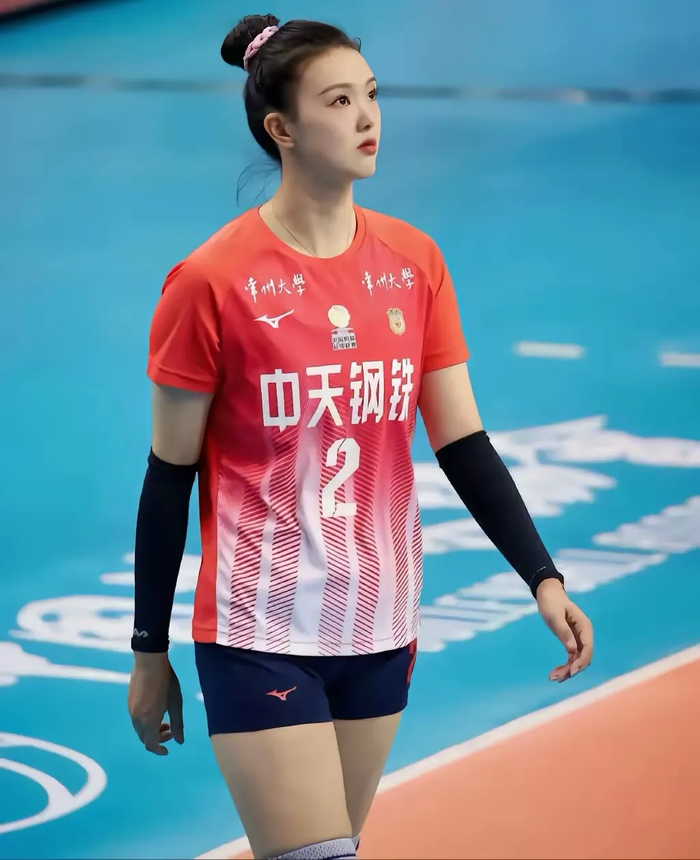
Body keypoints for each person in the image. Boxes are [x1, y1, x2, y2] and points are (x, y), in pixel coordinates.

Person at [127, 13, 594, 860]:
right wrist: (148, 650)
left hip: (380, 624)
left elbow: (464, 444)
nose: (368, 118)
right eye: (338, 102)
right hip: (259, 630)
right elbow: (168, 478)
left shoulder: (415, 262)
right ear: (282, 129)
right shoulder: (210, 283)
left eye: (371, 95)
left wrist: (543, 576)